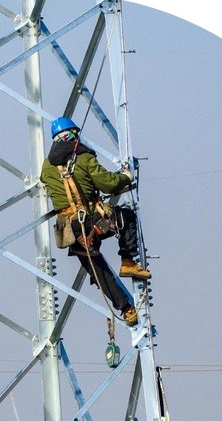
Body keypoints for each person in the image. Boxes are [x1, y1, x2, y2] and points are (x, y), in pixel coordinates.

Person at [39, 116, 149, 326]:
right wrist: (125, 177)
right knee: (126, 217)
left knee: (97, 271)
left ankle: (127, 310)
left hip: (71, 230)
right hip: (92, 220)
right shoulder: (83, 157)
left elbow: (45, 181)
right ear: (73, 135)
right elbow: (108, 184)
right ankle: (128, 261)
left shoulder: (47, 166)